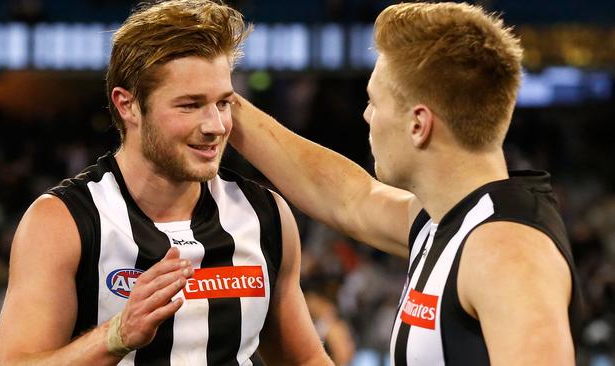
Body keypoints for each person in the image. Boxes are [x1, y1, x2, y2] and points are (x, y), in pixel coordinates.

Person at [229, 2, 582, 365]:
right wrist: (222, 103)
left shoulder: (508, 252)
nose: (367, 115)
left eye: (374, 102)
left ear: (418, 124)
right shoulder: (454, 216)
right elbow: (349, 197)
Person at [0, 1, 332, 365]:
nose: (215, 126)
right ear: (127, 105)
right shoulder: (61, 222)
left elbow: (307, 359)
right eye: (189, 105)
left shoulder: (266, 215)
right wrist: (116, 336)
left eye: (223, 103)